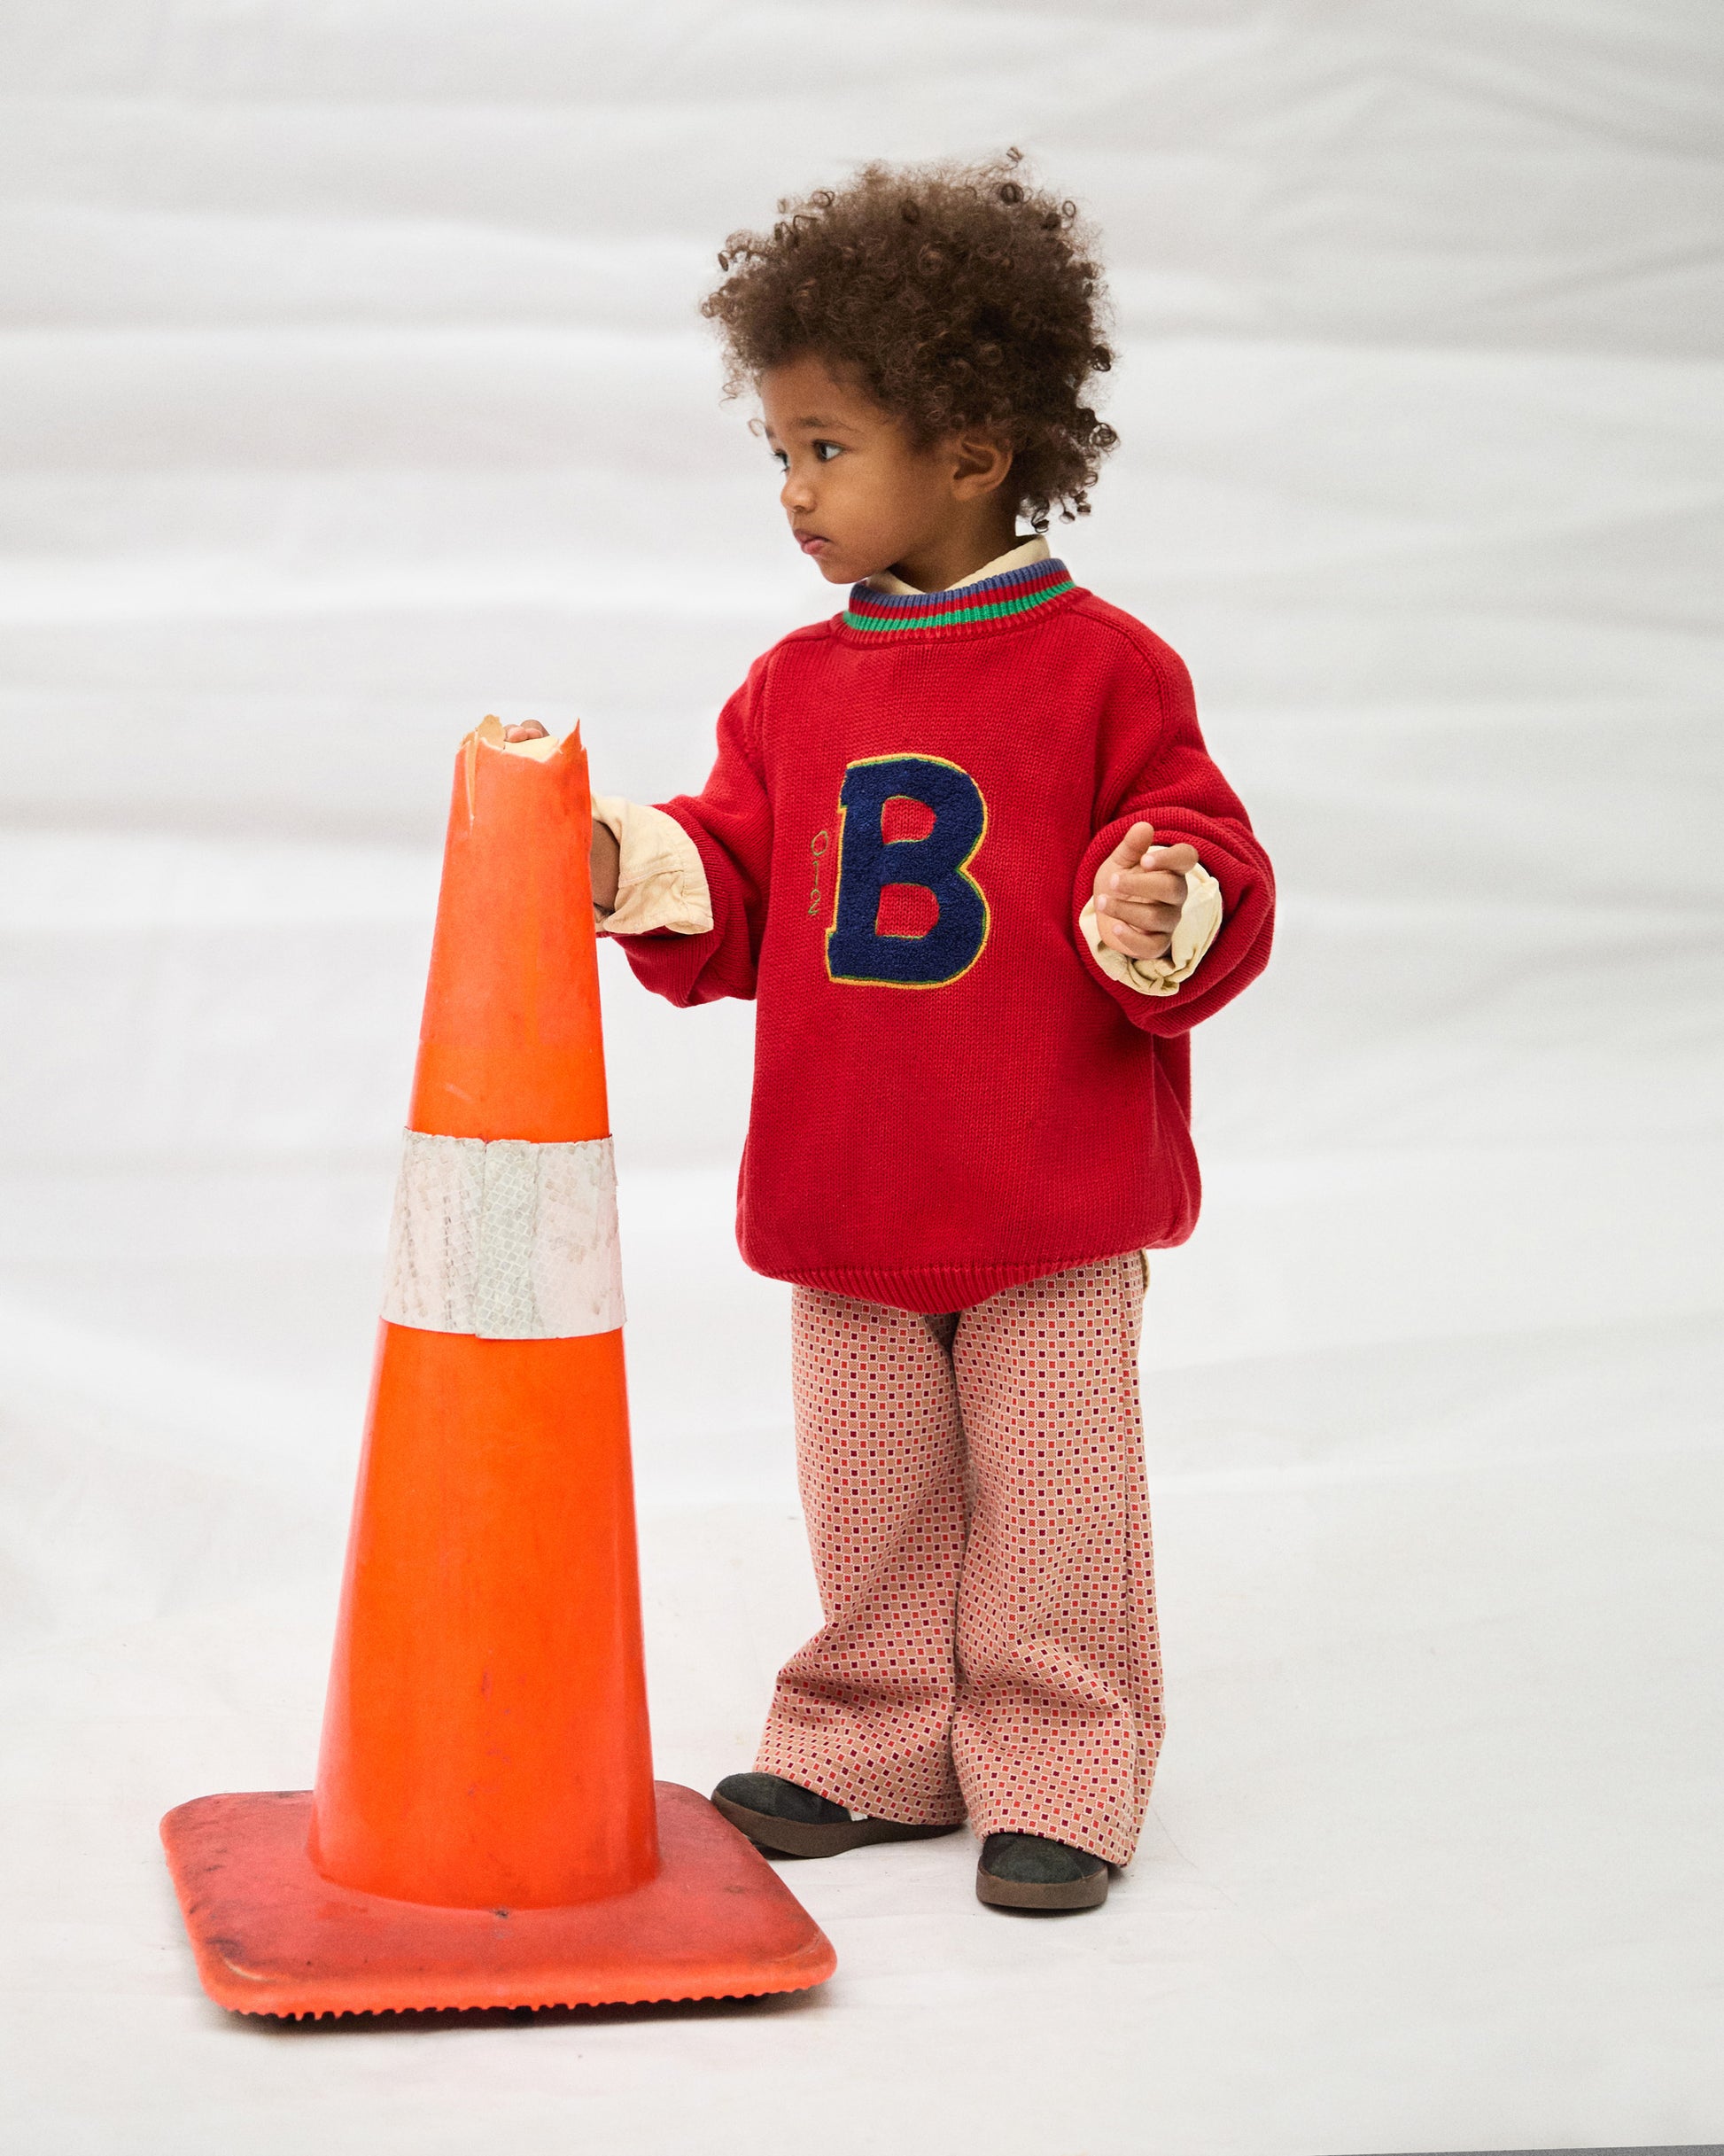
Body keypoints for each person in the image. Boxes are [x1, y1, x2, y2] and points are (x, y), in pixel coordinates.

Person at [509, 155, 1274, 1912]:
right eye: (777, 448)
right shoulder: (790, 688)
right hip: (851, 1196)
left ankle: (1060, 1762)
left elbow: (1199, 843)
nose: (789, 485)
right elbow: (740, 883)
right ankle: (868, 1737)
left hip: (1051, 1203)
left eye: (826, 446)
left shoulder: (1109, 671)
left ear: (974, 451)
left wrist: (1172, 905)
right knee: (871, 1502)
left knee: (1055, 1506)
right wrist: (642, 861)